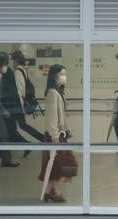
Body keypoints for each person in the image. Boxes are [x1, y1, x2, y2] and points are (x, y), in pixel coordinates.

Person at [38, 64, 78, 202]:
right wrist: (55, 135)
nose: (64, 77)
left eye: (65, 74)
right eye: (62, 74)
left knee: (57, 164)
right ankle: (56, 192)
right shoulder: (52, 93)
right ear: (54, 76)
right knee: (66, 164)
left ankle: (49, 191)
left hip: (59, 134)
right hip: (54, 135)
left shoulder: (58, 91)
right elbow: (51, 117)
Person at [0, 51, 31, 159]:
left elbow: (9, 91)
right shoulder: (4, 74)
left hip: (9, 107)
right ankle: (0, 152)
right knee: (1, 131)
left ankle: (25, 146)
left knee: (9, 131)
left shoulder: (8, 74)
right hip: (7, 107)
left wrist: (4, 108)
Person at [11, 50, 45, 142]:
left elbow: (20, 90)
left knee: (21, 125)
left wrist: (21, 107)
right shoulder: (23, 69)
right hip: (20, 104)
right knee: (19, 126)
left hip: (19, 104)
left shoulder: (18, 71)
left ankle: (41, 139)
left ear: (16, 61)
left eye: (13, 61)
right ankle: (39, 139)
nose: (12, 63)